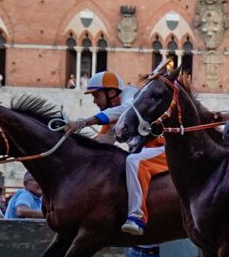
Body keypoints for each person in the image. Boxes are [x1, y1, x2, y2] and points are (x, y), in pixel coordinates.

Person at [64, 70, 169, 236]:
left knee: (134, 161)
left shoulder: (131, 95)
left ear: (111, 92)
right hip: (149, 152)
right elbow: (103, 141)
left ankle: (137, 218)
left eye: (96, 95)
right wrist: (72, 146)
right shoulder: (113, 111)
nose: (94, 101)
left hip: (165, 149)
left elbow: (125, 110)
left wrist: (85, 122)